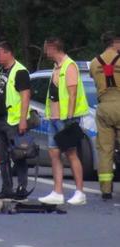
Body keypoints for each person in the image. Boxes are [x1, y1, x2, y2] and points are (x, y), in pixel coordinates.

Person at [38, 37, 89, 205]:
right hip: (53, 117)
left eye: (47, 48)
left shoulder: (70, 66)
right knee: (54, 153)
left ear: (54, 48)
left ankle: (80, 192)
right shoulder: (56, 67)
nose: (46, 52)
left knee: (71, 153)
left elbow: (72, 93)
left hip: (65, 118)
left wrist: (69, 116)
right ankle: (57, 191)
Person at [0, 41, 31, 199]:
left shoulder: (20, 71)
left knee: (19, 154)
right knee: (1, 156)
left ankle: (21, 187)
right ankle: (6, 188)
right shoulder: (0, 71)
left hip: (12, 120)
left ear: (8, 53)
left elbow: (25, 96)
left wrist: (23, 119)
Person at [90, 31, 120, 200]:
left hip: (103, 108)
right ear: (115, 43)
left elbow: (96, 82)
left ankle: (106, 190)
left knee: (105, 151)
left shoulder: (94, 63)